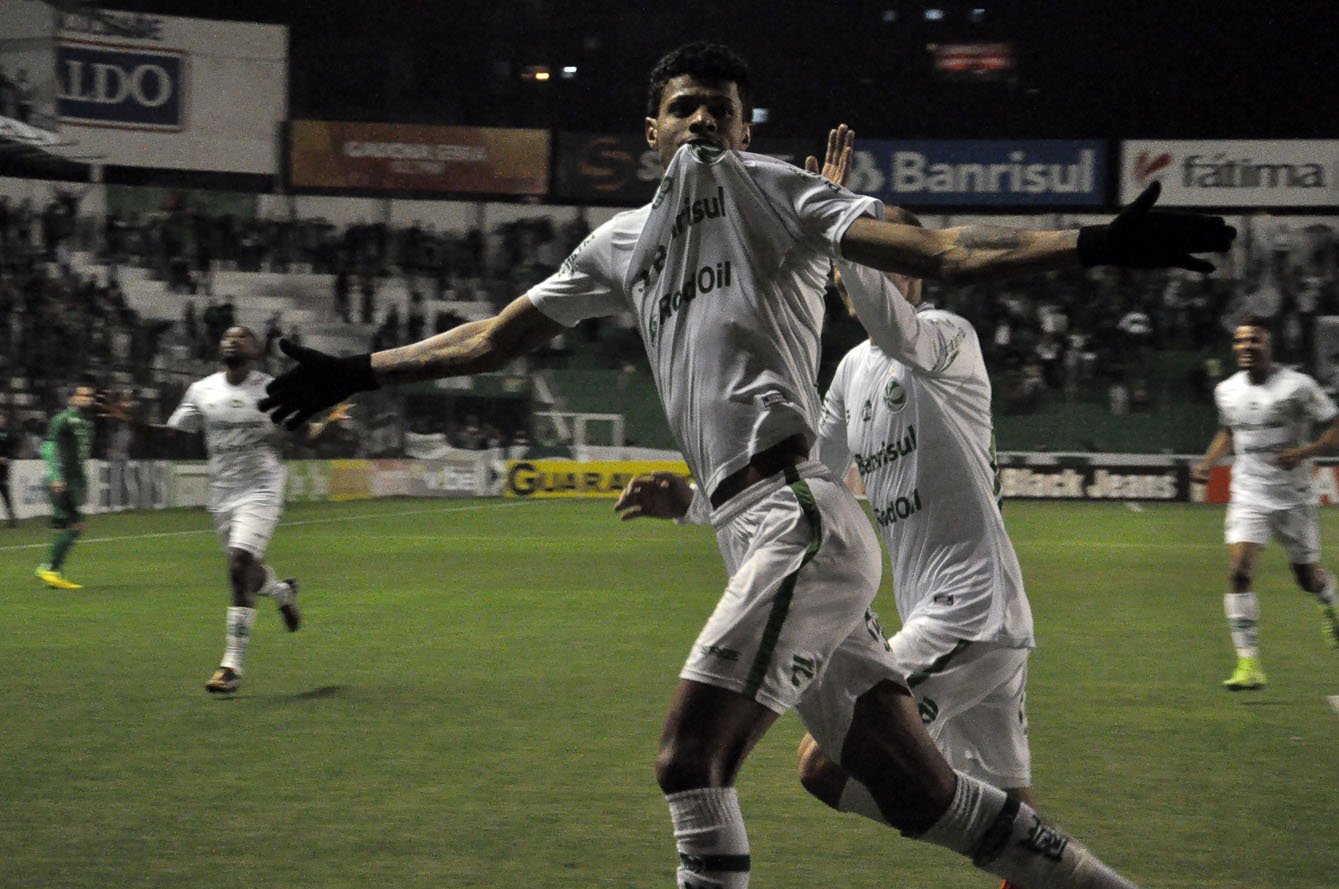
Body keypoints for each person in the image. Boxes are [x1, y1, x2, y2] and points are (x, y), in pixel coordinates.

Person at [257, 42, 1233, 889]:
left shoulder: (776, 193)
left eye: (719, 110)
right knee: (927, 796)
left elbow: (941, 255)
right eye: (684, 108)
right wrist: (356, 368)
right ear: (653, 130)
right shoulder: (619, 244)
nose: (701, 123)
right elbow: (492, 339)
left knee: (690, 761)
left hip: (796, 524)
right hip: (753, 527)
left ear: (745, 126)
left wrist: (1098, 241)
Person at [623, 142, 1040, 889]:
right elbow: (805, 473)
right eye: (859, 249)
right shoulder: (850, 371)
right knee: (1014, 825)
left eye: (877, 250)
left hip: (969, 612)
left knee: (825, 763)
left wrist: (827, 226)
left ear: (915, 268)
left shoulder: (945, 337)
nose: (862, 270)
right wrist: (690, 502)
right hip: (960, 617)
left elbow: (894, 328)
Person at [100, 326, 349, 694]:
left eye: (241, 336)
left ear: (256, 350)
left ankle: (230, 666)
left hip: (262, 488)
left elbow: (304, 435)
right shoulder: (202, 391)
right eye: (226, 336)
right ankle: (282, 593)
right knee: (244, 573)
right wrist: (131, 420)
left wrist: (327, 424)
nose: (231, 339)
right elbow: (171, 434)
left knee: (237, 565)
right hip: (222, 493)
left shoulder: (273, 389)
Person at [1192, 316, 1339, 691]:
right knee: (1240, 570)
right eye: (1240, 341)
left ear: (1268, 346)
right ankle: (1248, 664)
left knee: (1307, 578)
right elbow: (1228, 431)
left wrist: (1305, 452)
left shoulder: (1298, 386)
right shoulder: (1226, 390)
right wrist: (1209, 463)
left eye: (1254, 341)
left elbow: (1335, 425)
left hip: (1294, 498)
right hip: (1249, 495)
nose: (1246, 347)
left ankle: (1329, 598)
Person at [35, 384, 97, 589]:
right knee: (76, 525)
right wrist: (55, 475)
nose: (87, 399)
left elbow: (80, 458)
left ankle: (55, 575)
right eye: (82, 395)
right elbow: (49, 446)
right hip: (61, 480)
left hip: (72, 482)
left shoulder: (85, 424)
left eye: (89, 396)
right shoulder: (63, 419)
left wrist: (84, 484)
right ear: (72, 398)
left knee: (62, 527)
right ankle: (49, 568)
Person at [0, 410, 19, 528]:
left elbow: (13, 448)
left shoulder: (8, 433)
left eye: (2, 418)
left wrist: (7, 458)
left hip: (3, 470)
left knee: (6, 494)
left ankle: (12, 519)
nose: (1, 420)